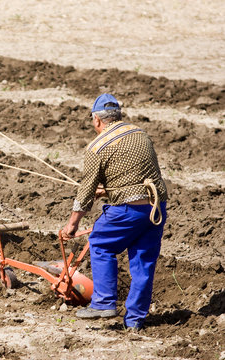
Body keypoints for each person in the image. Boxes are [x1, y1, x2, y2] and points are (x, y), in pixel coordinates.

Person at [60, 93, 168, 331]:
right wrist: (108, 190)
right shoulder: (140, 133)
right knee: (143, 263)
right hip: (156, 209)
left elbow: (85, 192)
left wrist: (72, 225)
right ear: (117, 115)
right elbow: (136, 174)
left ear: (96, 120)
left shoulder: (97, 147)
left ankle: (103, 303)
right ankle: (134, 321)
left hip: (128, 211)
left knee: (100, 243)